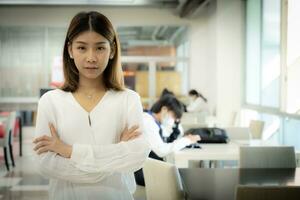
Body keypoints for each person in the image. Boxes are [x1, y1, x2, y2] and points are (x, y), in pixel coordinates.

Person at [33, 11, 150, 200]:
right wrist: (117, 152)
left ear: (112, 50)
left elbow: (138, 155)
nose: (91, 57)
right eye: (82, 48)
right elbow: (44, 163)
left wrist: (68, 151)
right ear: (70, 50)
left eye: (99, 48)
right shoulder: (51, 101)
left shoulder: (128, 99)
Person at [134, 95, 200, 185]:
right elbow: (161, 151)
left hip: (150, 168)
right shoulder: (147, 121)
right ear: (164, 109)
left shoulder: (154, 122)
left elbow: (166, 141)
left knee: (183, 175)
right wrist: (186, 140)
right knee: (185, 179)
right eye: (174, 116)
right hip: (144, 173)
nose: (173, 121)